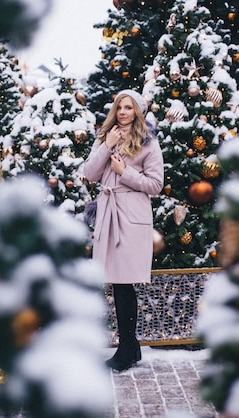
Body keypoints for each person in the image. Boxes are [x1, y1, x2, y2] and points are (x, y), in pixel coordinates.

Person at [83, 90, 164, 372]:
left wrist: (124, 172)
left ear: (137, 112)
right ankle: (131, 347)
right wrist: (107, 146)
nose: (123, 112)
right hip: (108, 216)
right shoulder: (107, 136)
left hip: (131, 219)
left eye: (128, 108)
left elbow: (155, 184)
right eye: (119, 107)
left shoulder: (148, 144)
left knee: (123, 283)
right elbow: (90, 174)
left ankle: (127, 349)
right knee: (117, 282)